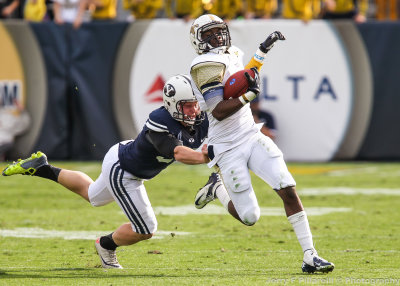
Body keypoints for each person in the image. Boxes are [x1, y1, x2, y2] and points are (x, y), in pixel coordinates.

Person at [2, 75, 210, 269]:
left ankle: (41, 168)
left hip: (125, 157)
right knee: (146, 228)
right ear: (172, 105)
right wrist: (208, 155)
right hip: (124, 169)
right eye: (187, 106)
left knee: (93, 196)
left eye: (195, 105)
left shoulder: (202, 119)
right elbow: (180, 153)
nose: (193, 111)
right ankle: (106, 245)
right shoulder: (160, 122)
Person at [189, 14, 334, 273]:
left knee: (287, 187)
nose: (217, 37)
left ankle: (310, 255)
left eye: (218, 31)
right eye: (209, 34)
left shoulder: (232, 52)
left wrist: (262, 51)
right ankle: (217, 189)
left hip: (251, 135)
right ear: (199, 41)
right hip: (226, 146)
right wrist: (248, 97)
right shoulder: (204, 65)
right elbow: (218, 109)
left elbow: (245, 76)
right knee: (249, 217)